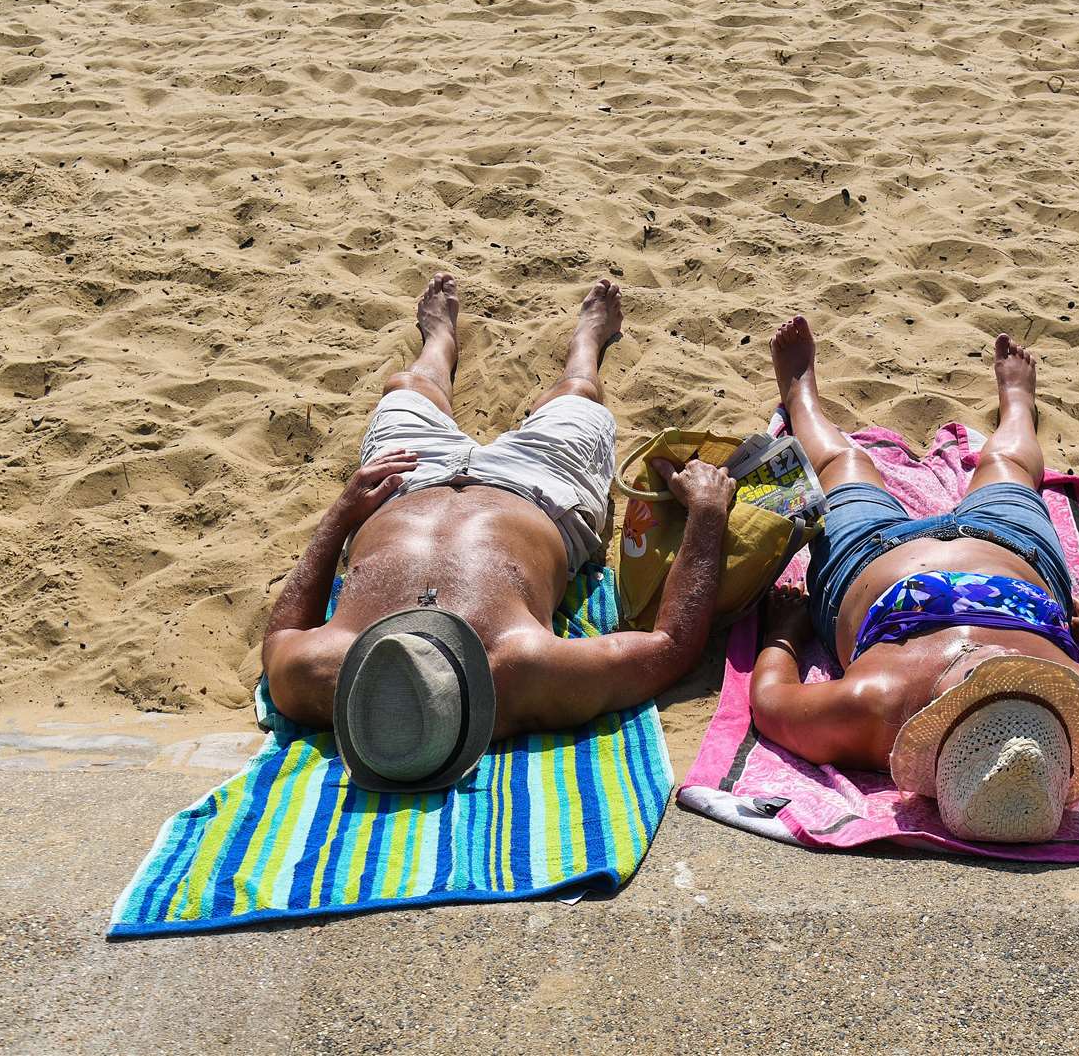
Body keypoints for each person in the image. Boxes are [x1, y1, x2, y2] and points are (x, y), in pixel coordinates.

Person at [262, 273, 733, 791]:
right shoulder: (524, 669)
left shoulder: (318, 674)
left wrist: (341, 514)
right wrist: (707, 516)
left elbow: (283, 630)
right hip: (542, 492)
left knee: (407, 388)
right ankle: (587, 344)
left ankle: (440, 342)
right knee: (576, 397)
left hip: (397, 487)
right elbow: (672, 645)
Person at [748, 316, 1079, 841]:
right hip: (1012, 550)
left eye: (976, 692)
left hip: (869, 558)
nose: (996, 666)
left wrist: (784, 635)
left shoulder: (868, 709)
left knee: (843, 462)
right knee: (1009, 466)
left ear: (936, 733)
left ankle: (799, 392)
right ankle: (1016, 403)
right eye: (1019, 689)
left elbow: (770, 702)